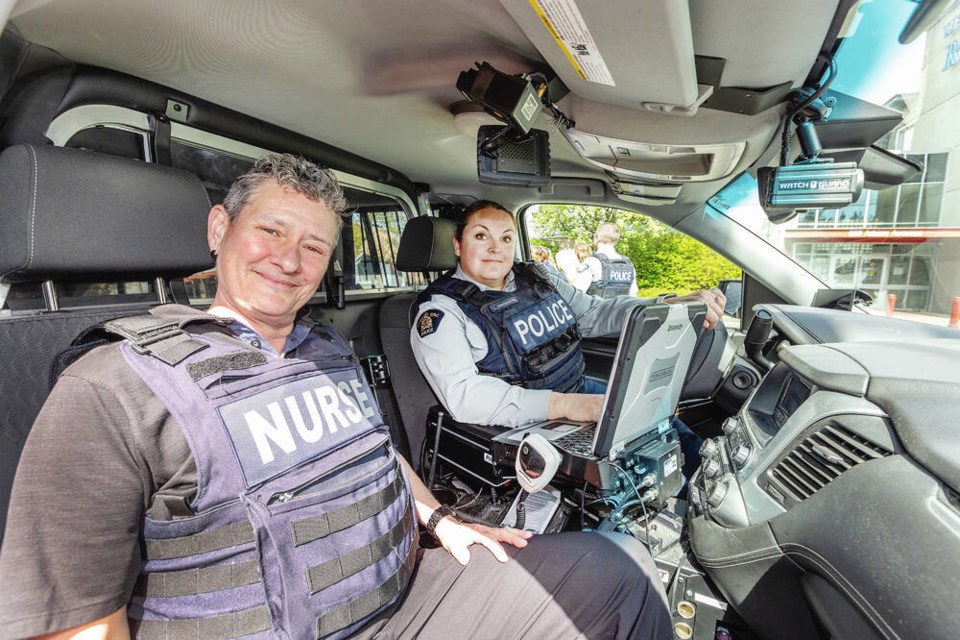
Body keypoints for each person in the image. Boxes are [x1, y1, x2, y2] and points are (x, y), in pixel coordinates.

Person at [0, 157, 674, 640]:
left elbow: (374, 450)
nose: (289, 260)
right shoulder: (114, 383)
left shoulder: (323, 352)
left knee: (618, 568)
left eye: (314, 245)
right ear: (218, 229)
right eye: (270, 231)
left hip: (404, 594)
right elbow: (76, 622)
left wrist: (440, 521)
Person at [410, 200, 726, 430]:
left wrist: (669, 303)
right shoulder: (442, 312)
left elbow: (592, 312)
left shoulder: (536, 278)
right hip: (526, 427)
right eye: (481, 236)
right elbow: (465, 397)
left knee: (667, 430)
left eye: (506, 237)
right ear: (457, 244)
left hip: (579, 393)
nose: (496, 248)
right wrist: (565, 406)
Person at [583, 222, 638, 298]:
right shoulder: (628, 265)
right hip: (622, 309)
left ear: (597, 238)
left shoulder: (592, 262)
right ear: (615, 241)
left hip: (597, 309)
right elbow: (633, 296)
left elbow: (576, 296)